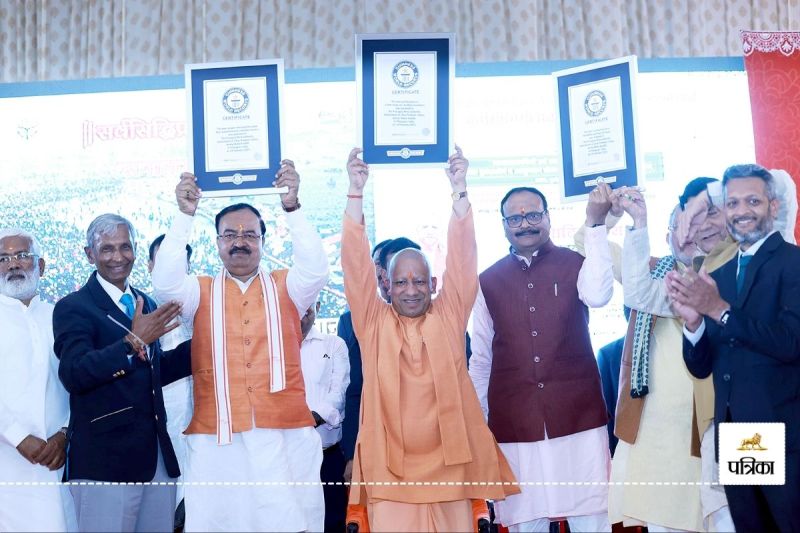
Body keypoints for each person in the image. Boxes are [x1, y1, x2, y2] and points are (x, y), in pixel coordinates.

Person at [342, 146, 518, 532]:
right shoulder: (372, 323)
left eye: (419, 281)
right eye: (401, 282)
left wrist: (459, 190)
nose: (411, 290)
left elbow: (463, 261)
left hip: (450, 467)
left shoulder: (449, 315)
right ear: (386, 285)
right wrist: (355, 192)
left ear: (433, 283)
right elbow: (354, 265)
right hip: (389, 471)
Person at [152, 160, 329, 532]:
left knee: (287, 521)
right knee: (221, 521)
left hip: (283, 433)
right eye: (230, 234)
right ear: (217, 242)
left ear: (263, 241)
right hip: (218, 438)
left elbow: (316, 270)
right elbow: (165, 284)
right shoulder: (199, 292)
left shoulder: (288, 286)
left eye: (250, 234)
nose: (240, 241)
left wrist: (293, 208)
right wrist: (184, 216)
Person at [470, 183, 615, 532]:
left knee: (591, 518)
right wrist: (478, 420)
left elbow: (599, 296)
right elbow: (482, 357)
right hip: (515, 423)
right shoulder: (487, 281)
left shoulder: (575, 263)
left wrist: (596, 226)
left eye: (533, 215)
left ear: (548, 218)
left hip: (578, 419)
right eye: (515, 218)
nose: (525, 224)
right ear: (504, 225)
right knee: (526, 522)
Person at [668, 163, 800, 532]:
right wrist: (693, 324)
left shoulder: (793, 263)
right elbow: (702, 367)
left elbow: (791, 343)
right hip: (740, 434)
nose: (742, 211)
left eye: (753, 201)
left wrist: (719, 310)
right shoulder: (719, 277)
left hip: (786, 431)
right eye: (732, 203)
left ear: (774, 206)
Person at [53, 214, 192, 533]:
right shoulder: (74, 307)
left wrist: (208, 342)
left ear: (135, 250)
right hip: (105, 462)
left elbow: (153, 372)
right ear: (89, 254)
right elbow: (75, 373)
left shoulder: (146, 301)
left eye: (125, 247)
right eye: (107, 248)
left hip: (156, 460)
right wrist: (133, 341)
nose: (118, 256)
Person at [609, 195, 705, 532]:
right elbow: (585, 243)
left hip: (719, 422)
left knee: (734, 516)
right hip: (659, 428)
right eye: (682, 225)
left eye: (699, 224)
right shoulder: (648, 273)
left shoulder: (733, 275)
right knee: (666, 522)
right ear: (667, 235)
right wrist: (613, 214)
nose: (690, 234)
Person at [0, 228, 75, 532]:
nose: (13, 264)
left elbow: (78, 382)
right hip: (7, 459)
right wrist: (19, 437)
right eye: (3, 259)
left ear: (40, 266)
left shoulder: (61, 317)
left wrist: (66, 433)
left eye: (22, 255)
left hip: (58, 459)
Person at [148, 233, 194, 527]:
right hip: (154, 445)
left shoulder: (203, 310)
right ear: (150, 266)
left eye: (179, 264)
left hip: (201, 440)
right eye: (163, 262)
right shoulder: (136, 311)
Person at [339, 238, 391, 484]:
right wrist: (351, 454)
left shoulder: (442, 321)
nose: (382, 277)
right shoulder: (355, 322)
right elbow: (354, 390)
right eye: (377, 268)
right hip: (377, 446)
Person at [300, 301, 350, 533]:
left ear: (318, 307)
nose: (301, 317)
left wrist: (310, 418)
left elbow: (340, 392)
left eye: (307, 310)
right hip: (286, 458)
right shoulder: (271, 348)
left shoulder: (334, 344)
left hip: (327, 455)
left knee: (333, 522)